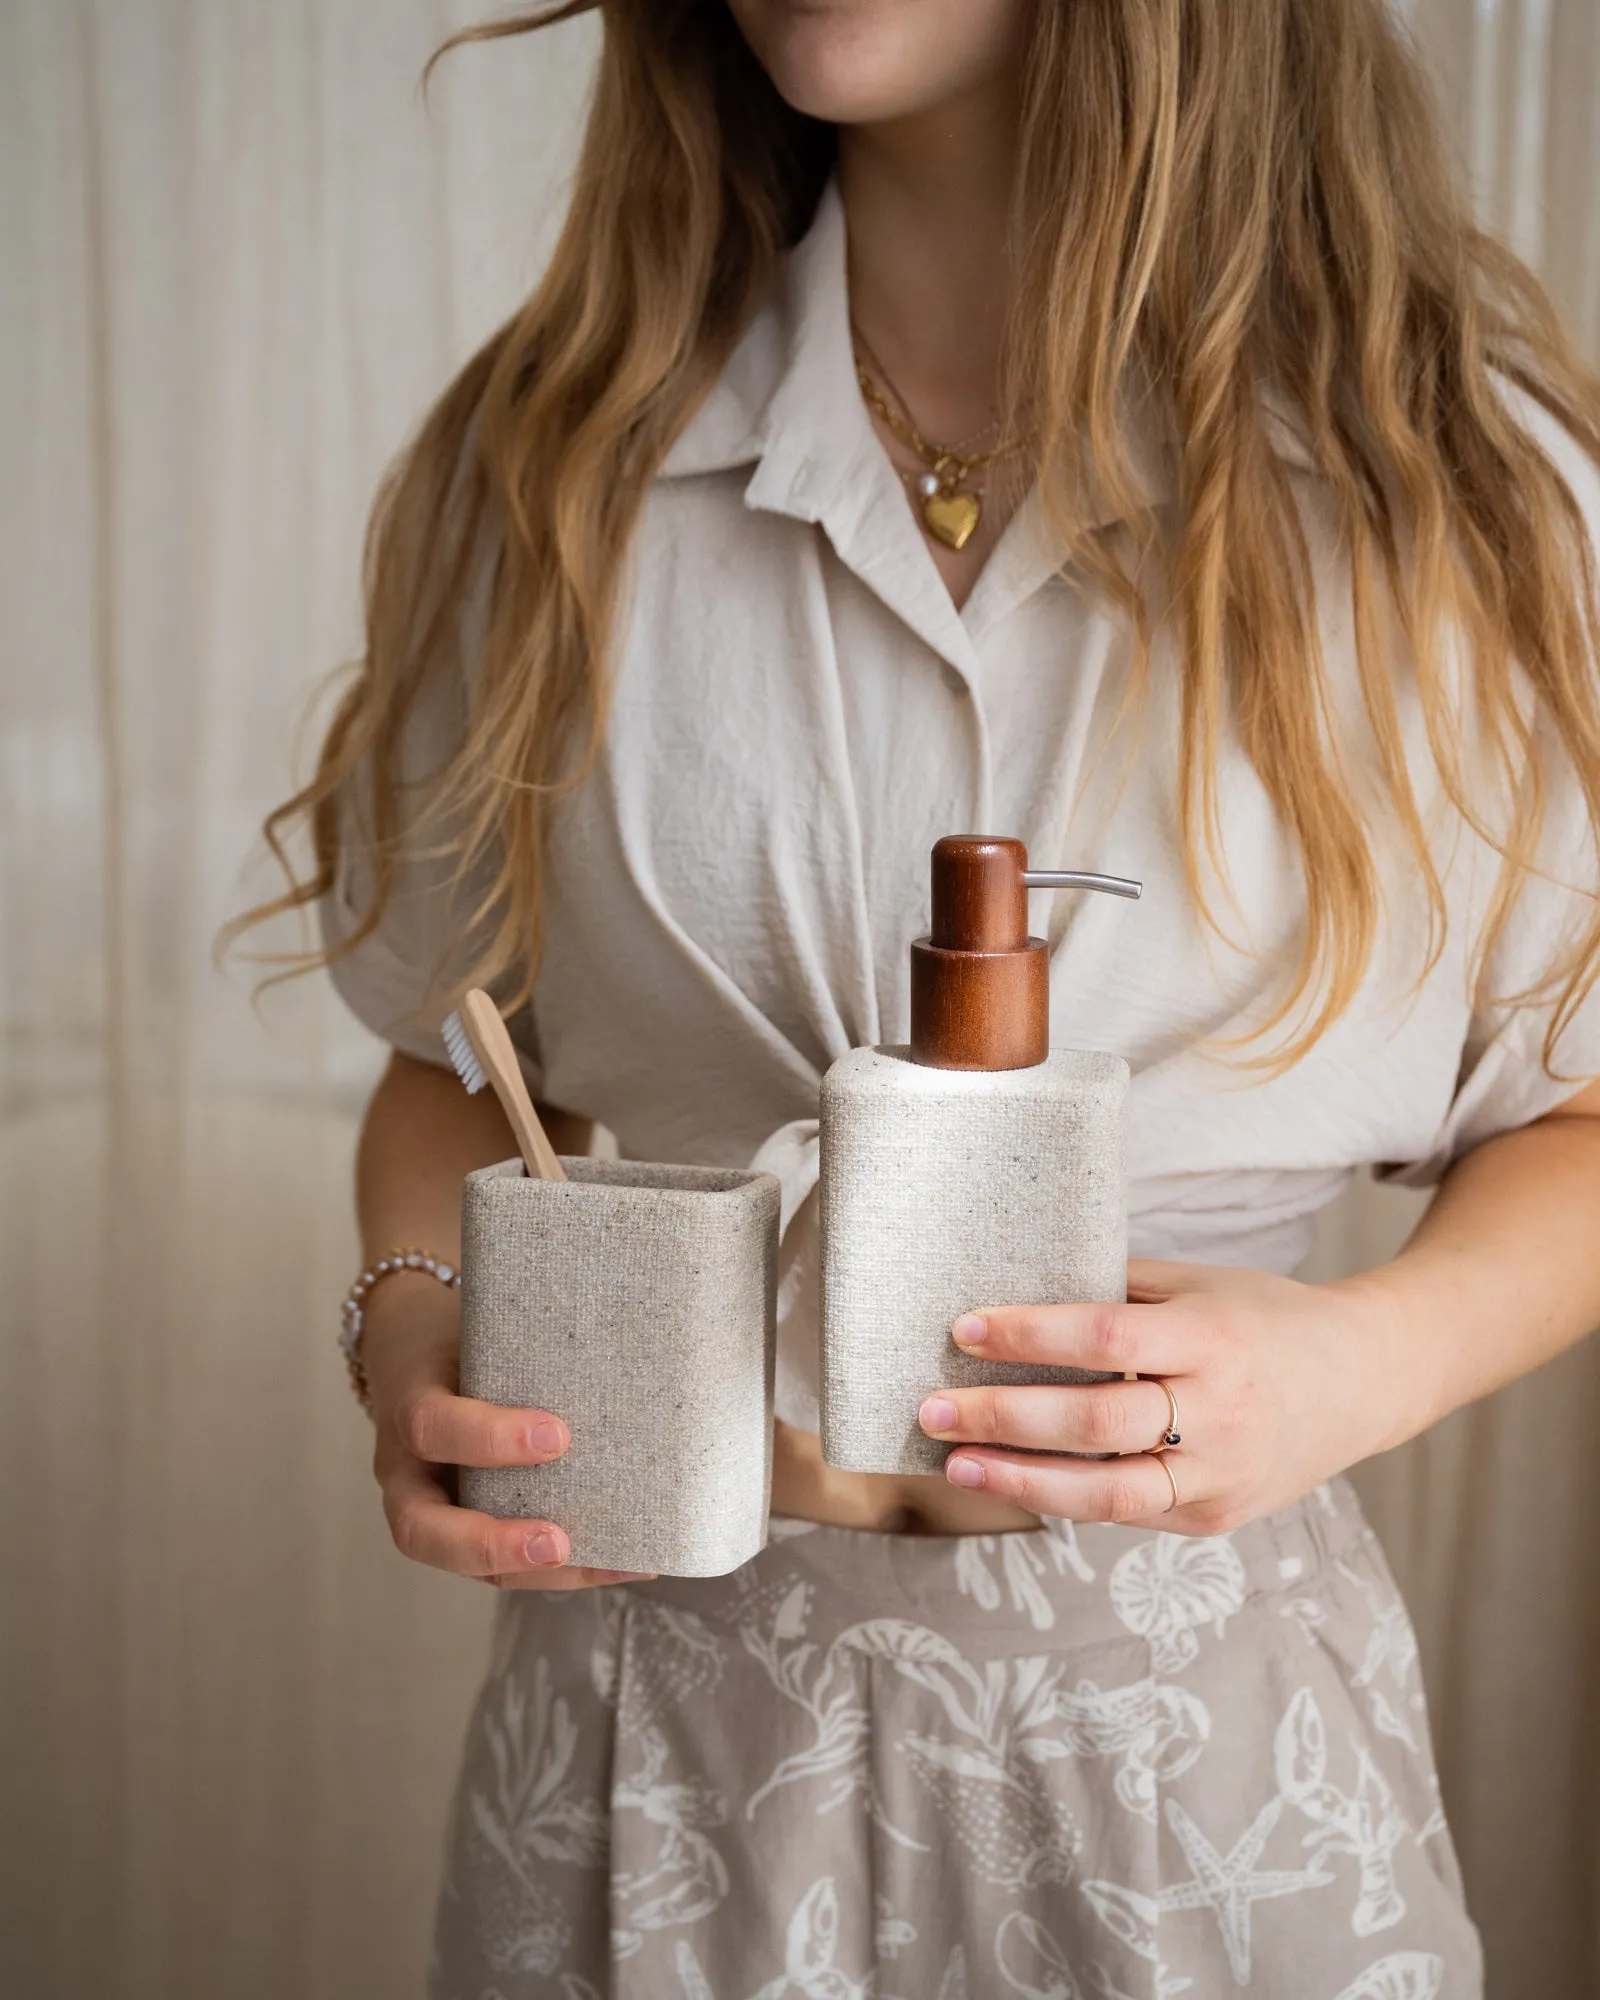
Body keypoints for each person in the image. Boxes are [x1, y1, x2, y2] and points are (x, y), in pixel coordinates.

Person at [244, 0, 1600, 1991]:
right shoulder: (541, 474)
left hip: (1202, 1770)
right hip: (654, 1746)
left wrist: (1354, 1366)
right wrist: (413, 1329)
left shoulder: (1466, 506)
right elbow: (456, 1058)